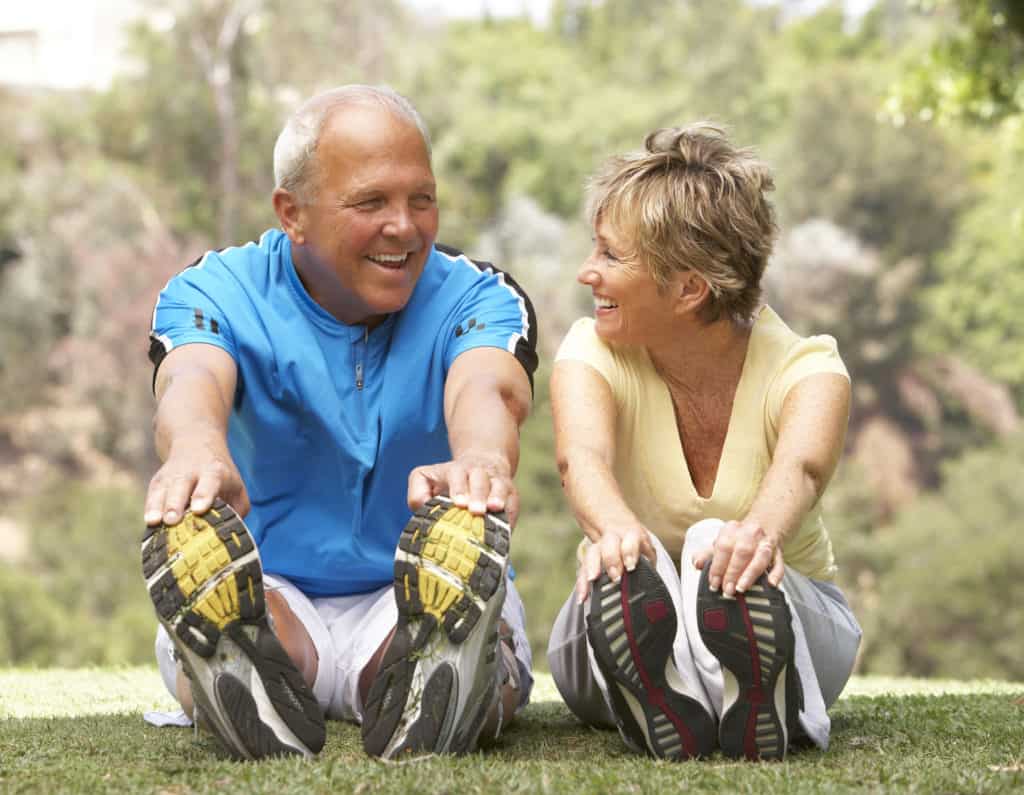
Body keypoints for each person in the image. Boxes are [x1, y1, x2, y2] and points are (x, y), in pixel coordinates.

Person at [141, 84, 537, 761]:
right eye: (371, 202)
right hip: (270, 585)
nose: (405, 227)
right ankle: (235, 656)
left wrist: (481, 459)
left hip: (411, 591)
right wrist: (198, 450)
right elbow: (191, 376)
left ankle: (454, 667)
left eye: (422, 198)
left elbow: (487, 386)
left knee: (434, 634)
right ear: (291, 213)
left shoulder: (478, 296)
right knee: (261, 623)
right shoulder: (214, 290)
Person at [546, 123, 862, 761]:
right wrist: (613, 532)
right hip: (618, 592)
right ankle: (695, 688)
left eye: (611, 256)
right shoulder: (591, 351)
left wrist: (757, 536)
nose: (588, 273)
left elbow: (799, 471)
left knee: (713, 547)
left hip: (794, 614)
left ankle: (722, 681)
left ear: (689, 289)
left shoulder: (809, 370)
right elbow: (581, 458)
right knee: (637, 571)